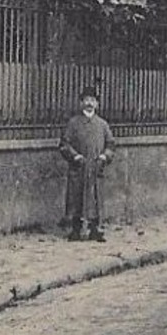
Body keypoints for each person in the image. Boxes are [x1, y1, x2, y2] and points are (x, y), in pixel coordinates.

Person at [60, 88, 115, 241]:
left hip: (96, 167)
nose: (89, 103)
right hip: (80, 167)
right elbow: (64, 144)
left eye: (92, 100)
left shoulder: (103, 125)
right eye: (86, 100)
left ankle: (95, 230)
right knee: (76, 198)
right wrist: (75, 156)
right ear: (81, 103)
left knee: (96, 198)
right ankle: (75, 230)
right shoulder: (73, 123)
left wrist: (105, 156)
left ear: (97, 104)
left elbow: (111, 144)